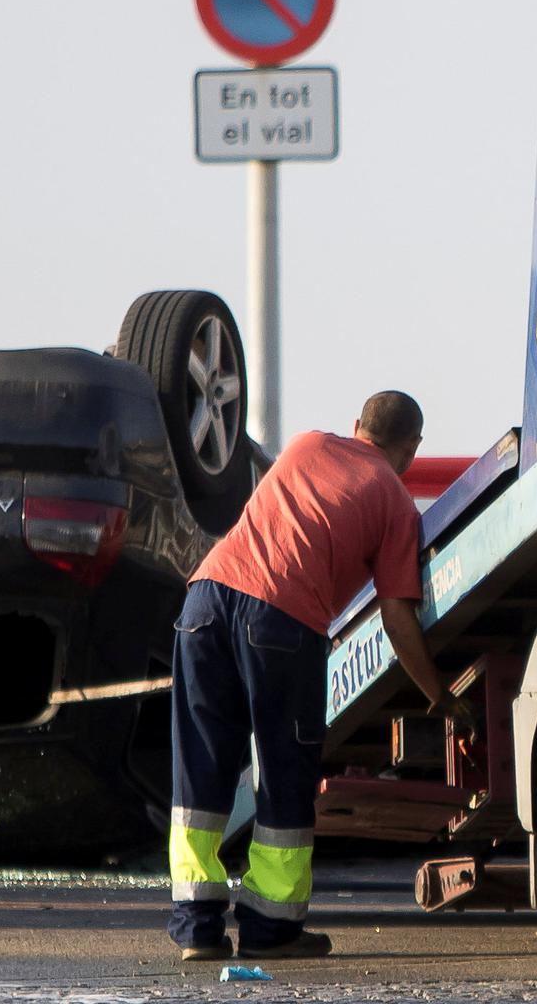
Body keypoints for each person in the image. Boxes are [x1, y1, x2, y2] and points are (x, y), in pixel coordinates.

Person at [167, 390, 469, 961]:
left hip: (203, 602)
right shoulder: (395, 502)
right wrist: (439, 695)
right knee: (283, 770)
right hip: (279, 622)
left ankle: (197, 929)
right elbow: (398, 616)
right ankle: (269, 928)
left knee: (200, 773)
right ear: (412, 449)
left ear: (358, 425)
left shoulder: (306, 444)